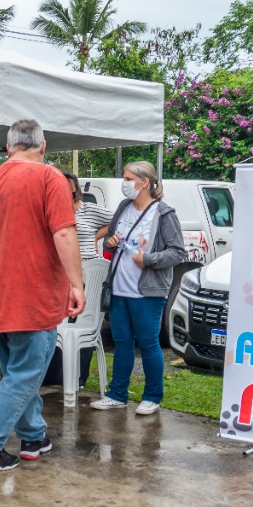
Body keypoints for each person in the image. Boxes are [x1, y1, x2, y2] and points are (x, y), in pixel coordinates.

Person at [0, 120, 84, 471]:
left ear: (8, 146)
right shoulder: (50, 178)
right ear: (43, 146)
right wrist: (76, 284)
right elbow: (63, 233)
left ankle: (34, 436)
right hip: (33, 295)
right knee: (26, 373)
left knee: (18, 372)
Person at [91, 161, 186, 415]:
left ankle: (152, 396)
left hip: (148, 292)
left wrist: (149, 259)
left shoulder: (164, 214)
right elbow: (112, 242)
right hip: (120, 289)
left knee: (148, 343)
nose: (125, 183)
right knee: (122, 343)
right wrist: (110, 242)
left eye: (129, 178)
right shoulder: (123, 207)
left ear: (145, 182)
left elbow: (177, 252)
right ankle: (117, 394)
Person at [66, 173, 115, 259]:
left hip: (89, 265)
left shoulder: (89, 208)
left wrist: (96, 236)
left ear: (77, 190)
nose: (66, 191)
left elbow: (117, 220)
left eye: (70, 188)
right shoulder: (55, 211)